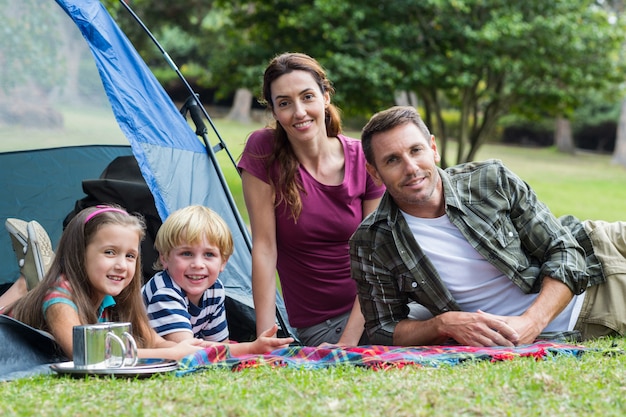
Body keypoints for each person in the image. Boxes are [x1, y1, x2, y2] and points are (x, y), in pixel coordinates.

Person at [350, 105, 626, 347]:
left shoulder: (489, 180)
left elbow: (564, 249)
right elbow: (383, 329)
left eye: (416, 150)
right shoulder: (373, 241)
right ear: (374, 173)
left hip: (598, 246)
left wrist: (531, 323)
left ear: (433, 149)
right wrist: (441, 324)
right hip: (591, 305)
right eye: (392, 160)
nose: (410, 168)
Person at [237, 52, 385, 346]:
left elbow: (374, 257)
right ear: (275, 111)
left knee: (455, 320)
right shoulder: (263, 150)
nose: (299, 112)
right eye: (284, 103)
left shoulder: (361, 157)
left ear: (325, 96)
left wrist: (349, 341)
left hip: (379, 308)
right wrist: (263, 339)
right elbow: (265, 248)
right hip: (323, 324)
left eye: (307, 97)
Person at [1, 205, 212, 360]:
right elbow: (84, 354)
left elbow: (154, 341)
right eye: (110, 252)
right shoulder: (59, 299)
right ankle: (25, 283)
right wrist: (170, 353)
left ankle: (30, 280)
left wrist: (186, 348)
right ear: (79, 252)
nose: (122, 265)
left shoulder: (118, 298)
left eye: (130, 256)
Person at [142, 205, 293, 354]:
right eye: (187, 253)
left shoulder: (214, 289)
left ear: (223, 262)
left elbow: (220, 344)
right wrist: (250, 348)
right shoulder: (165, 292)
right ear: (165, 258)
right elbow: (188, 351)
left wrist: (233, 349)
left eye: (209, 254)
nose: (198, 265)